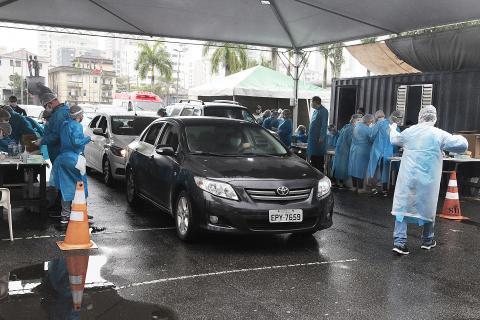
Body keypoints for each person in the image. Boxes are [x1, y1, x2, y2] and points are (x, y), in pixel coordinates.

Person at [389, 105, 467, 255]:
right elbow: (462, 145)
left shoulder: (409, 132)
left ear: (420, 116)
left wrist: (393, 127)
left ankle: (399, 242)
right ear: (434, 117)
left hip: (408, 178)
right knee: (428, 207)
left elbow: (394, 139)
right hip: (428, 179)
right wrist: (460, 136)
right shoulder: (438, 134)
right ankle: (427, 240)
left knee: (402, 207)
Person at [53, 105, 91, 226]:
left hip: (63, 158)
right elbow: (77, 142)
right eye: (82, 114)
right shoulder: (77, 126)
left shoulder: (64, 125)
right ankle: (80, 213)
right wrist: (89, 138)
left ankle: (65, 216)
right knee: (80, 186)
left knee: (65, 187)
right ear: (79, 116)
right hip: (75, 159)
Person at [367, 110, 402, 196]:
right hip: (388, 152)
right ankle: (384, 190)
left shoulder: (380, 123)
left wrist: (372, 143)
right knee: (385, 170)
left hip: (377, 150)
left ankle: (373, 188)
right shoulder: (396, 128)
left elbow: (372, 135)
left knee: (374, 169)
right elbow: (397, 143)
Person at [35, 92, 70, 164]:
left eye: (45, 106)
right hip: (60, 152)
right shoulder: (62, 111)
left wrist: (41, 141)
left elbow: (56, 135)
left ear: (50, 103)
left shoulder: (59, 114)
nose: (46, 108)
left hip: (59, 152)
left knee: (60, 174)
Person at [332, 114, 362, 188]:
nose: (360, 122)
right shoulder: (352, 129)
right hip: (345, 150)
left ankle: (337, 182)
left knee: (338, 165)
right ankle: (341, 183)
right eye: (359, 120)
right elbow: (350, 141)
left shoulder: (346, 126)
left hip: (340, 149)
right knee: (343, 166)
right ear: (355, 120)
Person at [348, 114, 374, 193]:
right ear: (369, 121)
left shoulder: (356, 126)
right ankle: (360, 188)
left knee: (353, 168)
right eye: (371, 121)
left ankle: (354, 186)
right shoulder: (367, 129)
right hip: (363, 150)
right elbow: (371, 139)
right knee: (361, 169)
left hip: (354, 149)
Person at [307, 96, 328, 171]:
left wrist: (322, 137)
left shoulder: (324, 111)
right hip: (312, 139)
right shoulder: (315, 111)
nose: (311, 104)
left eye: (312, 102)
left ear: (316, 102)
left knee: (318, 160)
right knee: (313, 160)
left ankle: (320, 177)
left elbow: (324, 125)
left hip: (318, 139)